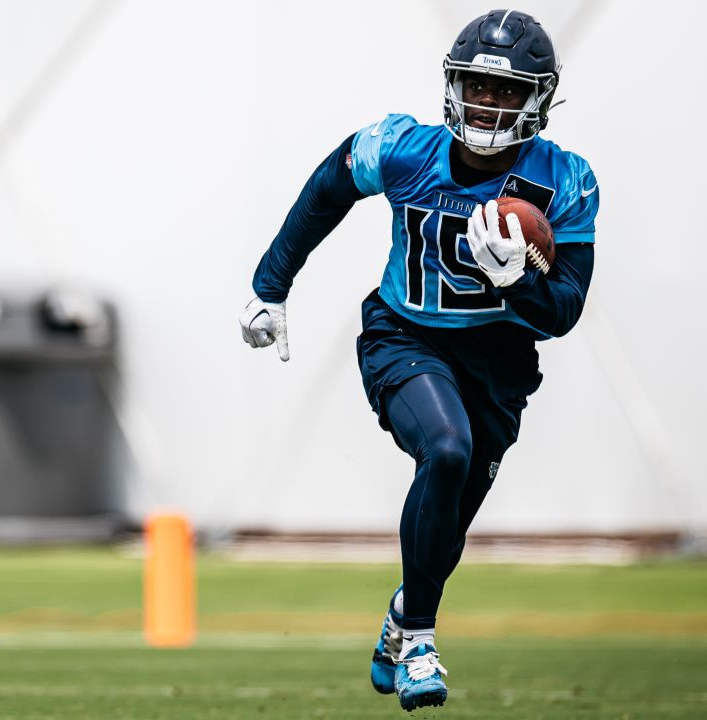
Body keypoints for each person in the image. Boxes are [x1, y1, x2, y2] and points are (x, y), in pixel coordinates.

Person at [238, 9, 598, 712]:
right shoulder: (404, 148)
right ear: (452, 84)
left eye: (506, 91)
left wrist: (518, 280)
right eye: (476, 86)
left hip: (498, 362)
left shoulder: (568, 180)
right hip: (406, 336)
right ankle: (423, 641)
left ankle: (404, 611)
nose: (488, 103)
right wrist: (269, 285)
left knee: (445, 532)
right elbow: (327, 186)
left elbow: (564, 314)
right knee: (446, 447)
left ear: (539, 99)